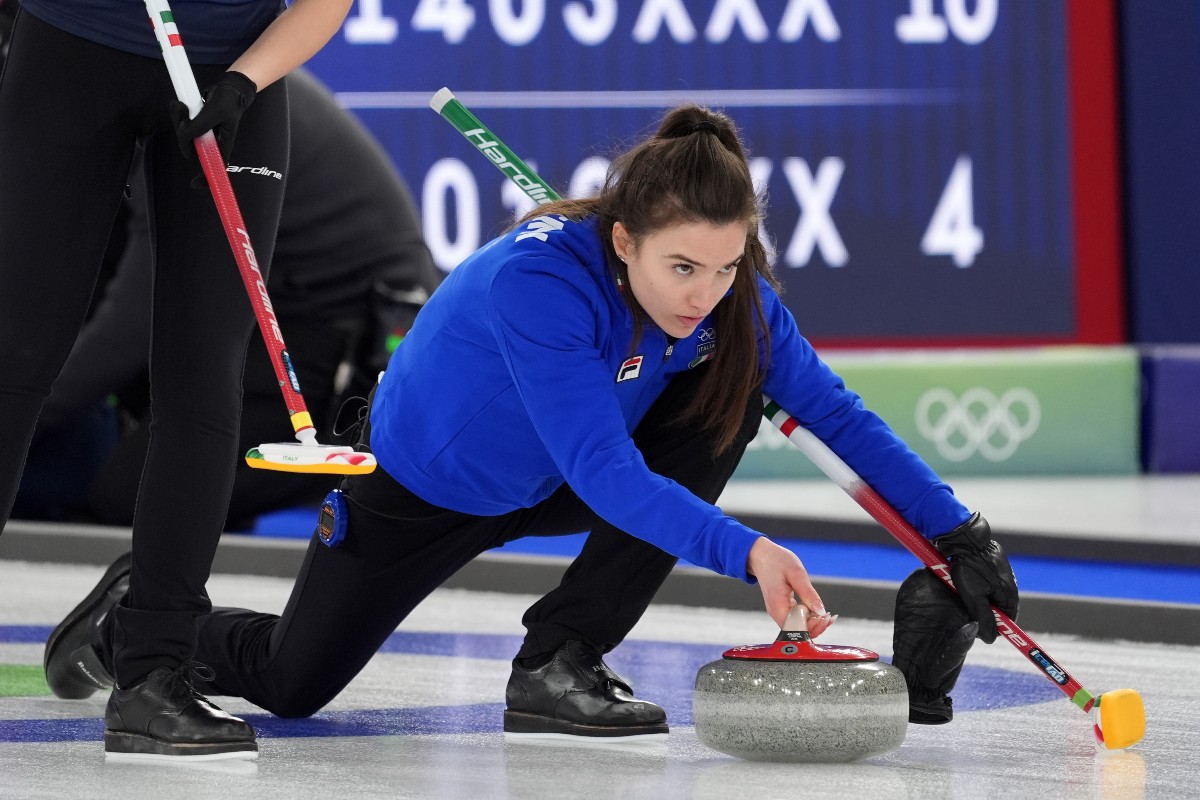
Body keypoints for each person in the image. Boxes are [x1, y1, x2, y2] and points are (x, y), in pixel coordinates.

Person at [45, 104, 1019, 742]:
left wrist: (956, 530)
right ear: (626, 239)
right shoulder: (540, 284)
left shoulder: (734, 307)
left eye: (726, 268)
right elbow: (602, 470)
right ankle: (141, 612)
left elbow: (835, 411)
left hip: (549, 479)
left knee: (727, 407)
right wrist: (748, 549)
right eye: (684, 268)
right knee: (295, 681)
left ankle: (560, 659)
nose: (707, 293)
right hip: (421, 486)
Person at [0, 0, 353, 760]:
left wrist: (245, 82)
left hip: (231, 74)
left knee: (204, 371)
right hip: (73, 44)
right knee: (16, 354)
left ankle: (155, 675)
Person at [12, 68, 443, 530]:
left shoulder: (191, 107)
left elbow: (134, 323)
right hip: (265, 309)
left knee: (137, 499)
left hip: (347, 342)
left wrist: (20, 412)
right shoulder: (154, 83)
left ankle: (361, 474)